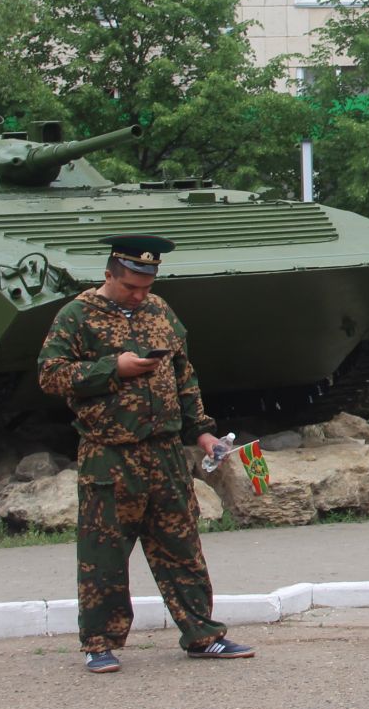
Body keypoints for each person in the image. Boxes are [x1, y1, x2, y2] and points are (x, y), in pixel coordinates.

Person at [37, 235, 254, 674]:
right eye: (130, 286)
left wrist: (203, 434)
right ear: (109, 275)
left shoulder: (160, 312)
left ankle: (203, 635)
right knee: (104, 555)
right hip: (110, 456)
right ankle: (99, 643)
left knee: (182, 548)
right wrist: (111, 369)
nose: (139, 295)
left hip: (164, 454)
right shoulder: (77, 316)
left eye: (145, 287)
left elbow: (184, 377)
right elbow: (51, 375)